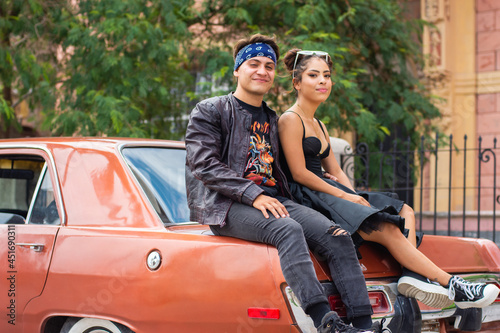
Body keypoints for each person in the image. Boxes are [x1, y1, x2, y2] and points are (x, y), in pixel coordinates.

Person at [278, 48, 500, 311]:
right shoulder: (290, 120)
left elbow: (336, 171)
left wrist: (354, 196)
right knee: (388, 228)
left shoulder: (320, 124)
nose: (323, 81)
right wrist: (346, 197)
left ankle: (412, 276)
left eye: (326, 75)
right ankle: (453, 286)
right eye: (313, 75)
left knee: (405, 210)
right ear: (297, 82)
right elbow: (299, 173)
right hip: (309, 196)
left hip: (332, 191)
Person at [185, 34, 377, 333]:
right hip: (228, 205)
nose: (262, 71)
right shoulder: (211, 110)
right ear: (237, 69)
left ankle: (364, 326)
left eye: (269, 66)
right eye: (254, 64)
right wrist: (252, 194)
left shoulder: (274, 119)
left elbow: (289, 167)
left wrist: (323, 178)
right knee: (287, 229)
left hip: (276, 199)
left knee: (336, 235)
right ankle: (326, 322)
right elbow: (204, 165)